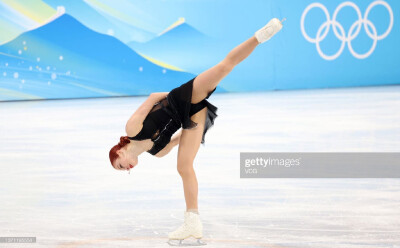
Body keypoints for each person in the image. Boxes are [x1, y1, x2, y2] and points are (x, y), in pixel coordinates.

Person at [109, 17, 285, 246]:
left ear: (120, 151)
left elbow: (153, 97)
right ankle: (192, 221)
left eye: (121, 165)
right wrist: (197, 131)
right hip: (191, 118)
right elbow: (181, 138)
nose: (128, 168)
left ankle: (260, 36)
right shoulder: (158, 152)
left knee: (224, 67)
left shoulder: (132, 129)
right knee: (184, 166)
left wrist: (180, 97)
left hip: (182, 98)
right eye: (124, 170)